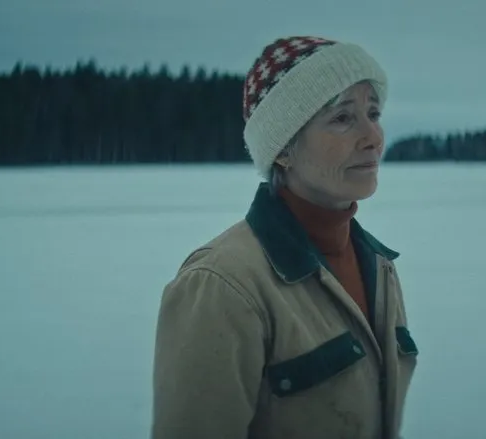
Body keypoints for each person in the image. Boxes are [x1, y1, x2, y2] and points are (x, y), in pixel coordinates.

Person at [151, 35, 419, 439]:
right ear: (283, 149)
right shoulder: (223, 286)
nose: (374, 137)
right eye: (342, 118)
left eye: (373, 113)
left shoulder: (379, 268)